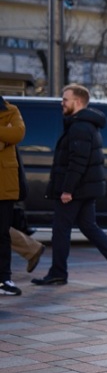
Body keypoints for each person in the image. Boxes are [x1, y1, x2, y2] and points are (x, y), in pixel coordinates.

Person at [32, 85, 107, 288]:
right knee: (89, 226)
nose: (62, 103)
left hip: (76, 189)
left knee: (60, 230)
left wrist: (67, 189)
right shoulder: (84, 125)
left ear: (77, 102)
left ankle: (58, 273)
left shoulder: (80, 127)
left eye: (65, 100)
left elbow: (78, 161)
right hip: (86, 188)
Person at [0, 94, 25, 295]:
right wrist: (3, 138)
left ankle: (4, 280)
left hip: (4, 185)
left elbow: (17, 134)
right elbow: (8, 137)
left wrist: (7, 137)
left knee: (2, 233)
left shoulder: (11, 110)